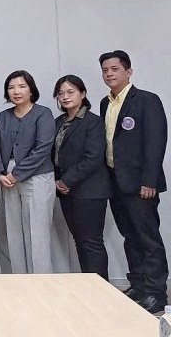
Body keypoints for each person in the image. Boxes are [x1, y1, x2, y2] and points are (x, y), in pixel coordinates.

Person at [99, 50, 169, 313]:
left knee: (148, 238)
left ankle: (156, 293)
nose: (109, 74)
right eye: (105, 70)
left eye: (114, 69)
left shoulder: (147, 100)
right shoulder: (105, 103)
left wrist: (149, 181)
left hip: (141, 184)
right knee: (129, 236)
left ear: (128, 72)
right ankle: (138, 285)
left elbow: (155, 142)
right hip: (116, 183)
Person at [0, 70, 56, 274]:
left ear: (31, 89)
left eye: (22, 86)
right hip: (7, 177)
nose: (16, 91)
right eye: (11, 87)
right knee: (13, 231)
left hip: (37, 176)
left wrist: (16, 174)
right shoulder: (3, 116)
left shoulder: (43, 113)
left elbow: (43, 149)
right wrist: (0, 173)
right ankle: (19, 281)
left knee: (37, 234)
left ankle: (41, 283)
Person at [51, 74, 110, 280]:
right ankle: (89, 284)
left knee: (91, 242)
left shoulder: (93, 122)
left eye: (70, 92)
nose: (65, 97)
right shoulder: (58, 122)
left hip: (89, 191)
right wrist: (59, 182)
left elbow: (93, 158)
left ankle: (101, 288)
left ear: (82, 94)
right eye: (61, 94)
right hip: (66, 192)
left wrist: (67, 180)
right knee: (79, 240)